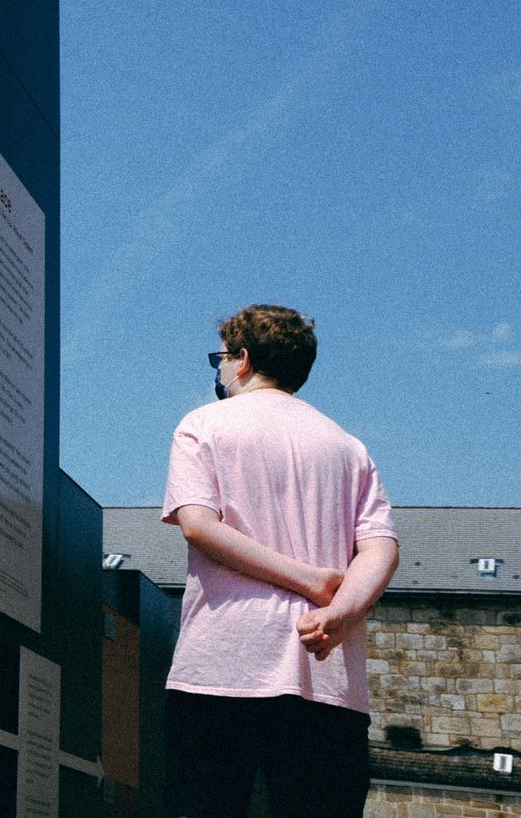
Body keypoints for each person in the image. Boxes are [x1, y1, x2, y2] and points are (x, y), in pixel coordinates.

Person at [162, 305, 398, 817]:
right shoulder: (348, 447)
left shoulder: (203, 424)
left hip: (222, 669)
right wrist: (340, 613)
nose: (220, 371)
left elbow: (200, 526)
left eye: (220, 359)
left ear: (242, 359)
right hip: (328, 681)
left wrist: (308, 579)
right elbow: (380, 548)